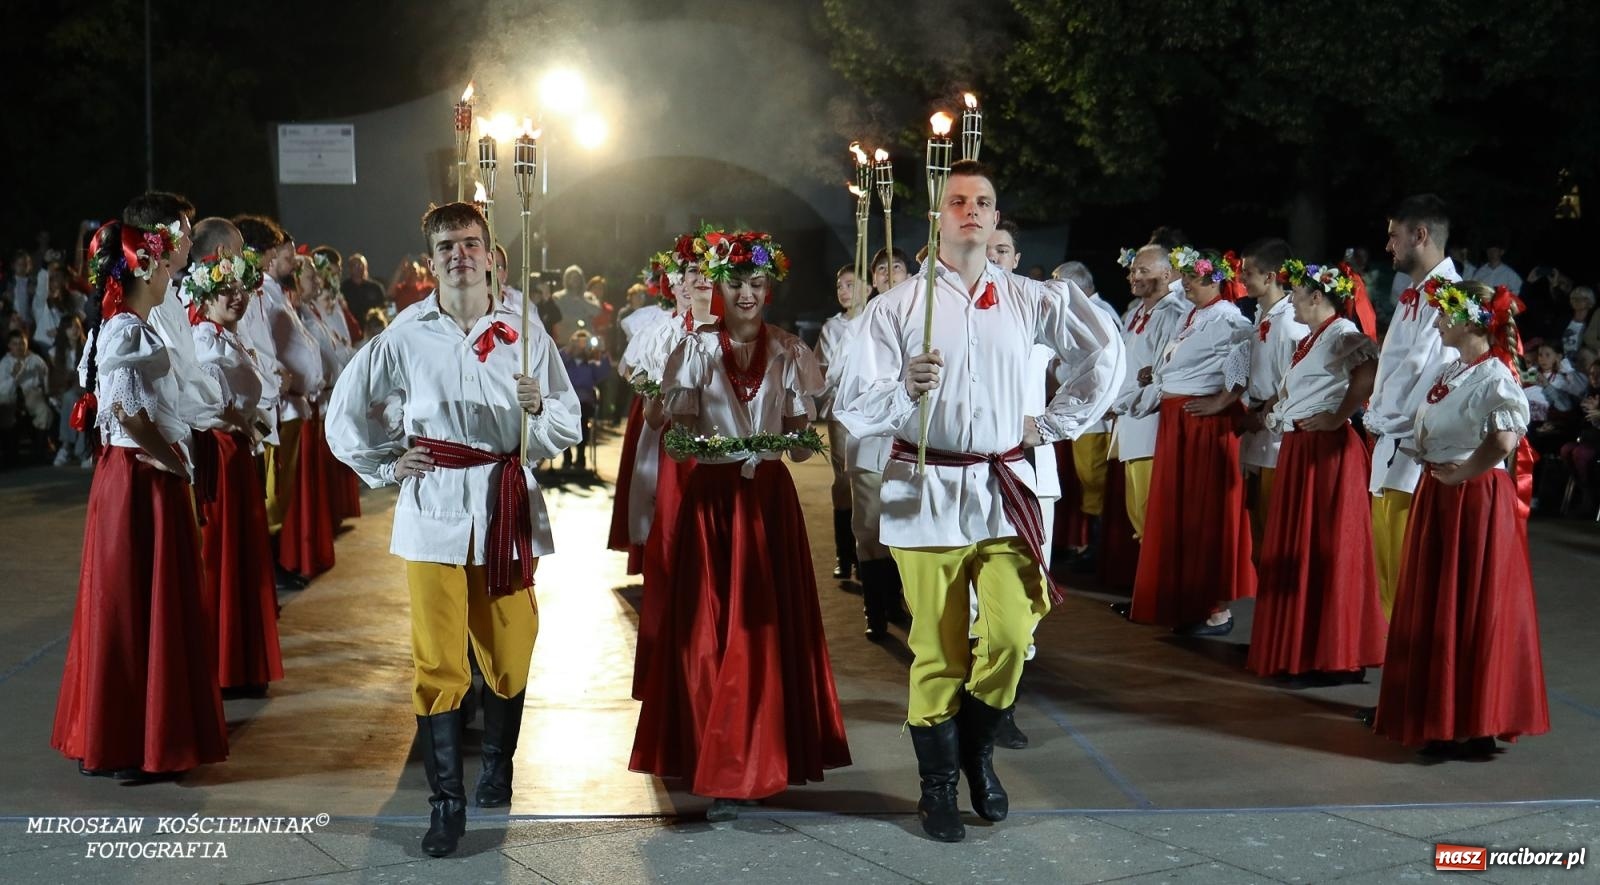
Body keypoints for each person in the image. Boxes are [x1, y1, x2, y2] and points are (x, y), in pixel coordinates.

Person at [834, 160, 1123, 842]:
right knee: (936, 648)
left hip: (1003, 489)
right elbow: (852, 405)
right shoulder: (895, 307)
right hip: (926, 491)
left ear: (996, 218)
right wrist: (905, 386)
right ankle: (937, 785)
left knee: (1011, 634)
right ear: (936, 217)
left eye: (983, 201)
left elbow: (1104, 349)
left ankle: (976, 749)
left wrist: (1052, 422)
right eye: (957, 200)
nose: (971, 209)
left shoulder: (1029, 297)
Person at [327, 202, 581, 857]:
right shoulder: (405, 332)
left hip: (504, 504)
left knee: (510, 649)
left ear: (492, 254)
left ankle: (499, 759)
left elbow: (566, 420)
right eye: (446, 246)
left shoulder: (524, 326)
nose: (459, 255)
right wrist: (386, 461)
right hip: (432, 508)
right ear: (430, 259)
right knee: (438, 661)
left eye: (470, 243)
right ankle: (447, 805)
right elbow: (346, 410)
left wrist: (538, 413)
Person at [630, 227, 850, 822]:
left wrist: (794, 433)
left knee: (765, 628)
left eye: (757, 283)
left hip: (769, 502)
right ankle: (722, 758)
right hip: (713, 501)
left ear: (770, 287)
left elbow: (803, 450)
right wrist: (666, 410)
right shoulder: (695, 350)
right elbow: (676, 442)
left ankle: (760, 754)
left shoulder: (791, 352)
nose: (746, 294)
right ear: (719, 287)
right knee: (712, 630)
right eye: (735, 283)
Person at [51, 212, 228, 780]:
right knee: (138, 603)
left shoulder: (129, 323)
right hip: (142, 474)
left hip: (138, 471)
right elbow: (126, 409)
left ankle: (136, 735)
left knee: (142, 603)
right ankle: (137, 740)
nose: (172, 271)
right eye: (165, 259)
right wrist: (176, 459)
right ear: (145, 266)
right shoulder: (127, 327)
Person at [1373, 280, 1548, 758]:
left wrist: (1464, 474)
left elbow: (1505, 440)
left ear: (1472, 320)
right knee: (1438, 599)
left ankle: (1471, 722)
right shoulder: (1453, 369)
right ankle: (1441, 712)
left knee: (1466, 600)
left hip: (1472, 498)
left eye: (1446, 312)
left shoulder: (1494, 374)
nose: (1438, 320)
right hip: (1442, 491)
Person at [1247, 260, 1385, 683]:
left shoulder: (1342, 332)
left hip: (1326, 452)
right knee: (1301, 547)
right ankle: (1302, 646)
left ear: (1317, 296)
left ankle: (1334, 654)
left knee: (1326, 548)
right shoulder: (1316, 337)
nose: (1291, 301)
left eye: (1296, 294)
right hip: (1302, 447)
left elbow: (1367, 370)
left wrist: (1339, 415)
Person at [1123, 247, 1255, 634]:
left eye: (1192, 279)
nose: (1185, 286)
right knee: (1177, 512)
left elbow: (1245, 359)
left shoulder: (1229, 317)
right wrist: (1158, 373)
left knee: (1202, 513)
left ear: (1213, 280)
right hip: (1176, 421)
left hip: (1201, 425)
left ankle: (1215, 608)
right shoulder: (1194, 314)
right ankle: (1187, 599)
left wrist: (1224, 400)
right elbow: (1183, 359)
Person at [186, 246, 284, 697]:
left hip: (238, 448)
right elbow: (207, 401)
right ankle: (225, 665)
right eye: (225, 290)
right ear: (204, 297)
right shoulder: (204, 340)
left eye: (241, 289)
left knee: (243, 555)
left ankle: (241, 662)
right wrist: (240, 422)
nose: (236, 297)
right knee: (225, 557)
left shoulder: (227, 335)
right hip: (223, 453)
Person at [617, 235, 712, 701]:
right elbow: (639, 385)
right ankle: (666, 663)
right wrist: (655, 394)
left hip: (716, 453)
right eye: (690, 273)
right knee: (669, 551)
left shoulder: (732, 330)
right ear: (674, 283)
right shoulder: (657, 332)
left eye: (705, 273)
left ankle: (709, 659)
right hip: (672, 452)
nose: (698, 281)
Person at [1368, 195, 1460, 618]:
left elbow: (1430, 376)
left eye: (1394, 236)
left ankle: (1408, 661)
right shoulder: (1415, 294)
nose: (1388, 246)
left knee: (1407, 570)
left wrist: (1380, 417)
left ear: (1419, 236)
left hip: (1414, 450)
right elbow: (1396, 367)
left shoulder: (1451, 299)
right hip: (1391, 442)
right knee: (1386, 569)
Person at [1231, 238, 1308, 550]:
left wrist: (1262, 416)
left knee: (1274, 528)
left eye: (1248, 272)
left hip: (1276, 438)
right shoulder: (1265, 316)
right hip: (1259, 435)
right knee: (1258, 529)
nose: (1241, 279)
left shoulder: (1291, 321)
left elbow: (1296, 380)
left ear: (1270, 276)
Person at [815, 263, 863, 580]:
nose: (843, 291)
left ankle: (870, 551)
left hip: (876, 413)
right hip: (842, 413)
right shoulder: (832, 328)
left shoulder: (878, 317)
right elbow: (822, 371)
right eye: (839, 286)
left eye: (850, 284)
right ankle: (845, 553)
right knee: (844, 479)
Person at [559, 328, 611, 472]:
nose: (581, 345)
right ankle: (567, 457)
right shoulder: (565, 358)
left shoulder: (591, 360)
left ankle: (581, 457)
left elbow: (603, 373)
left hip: (584, 399)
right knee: (564, 422)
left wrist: (602, 352)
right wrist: (569, 350)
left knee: (582, 421)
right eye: (578, 341)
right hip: (566, 398)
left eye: (584, 342)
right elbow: (554, 365)